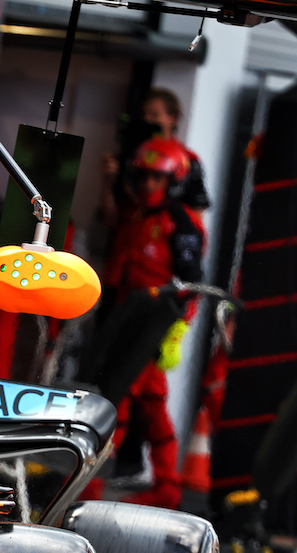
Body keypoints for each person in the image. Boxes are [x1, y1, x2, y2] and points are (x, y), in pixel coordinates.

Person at [87, 136, 206, 510]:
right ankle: (168, 486)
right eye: (144, 178)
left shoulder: (181, 223)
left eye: (156, 178)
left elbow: (190, 285)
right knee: (151, 402)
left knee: (115, 402)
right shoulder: (136, 215)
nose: (148, 185)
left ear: (172, 182)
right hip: (124, 322)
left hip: (151, 329)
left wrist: (175, 332)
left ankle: (88, 485)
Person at [100, 87, 209, 231]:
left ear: (173, 118)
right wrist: (108, 180)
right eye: (144, 114)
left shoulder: (188, 160)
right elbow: (109, 216)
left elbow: (196, 218)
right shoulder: (132, 156)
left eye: (154, 115)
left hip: (164, 242)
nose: (147, 119)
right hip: (127, 237)